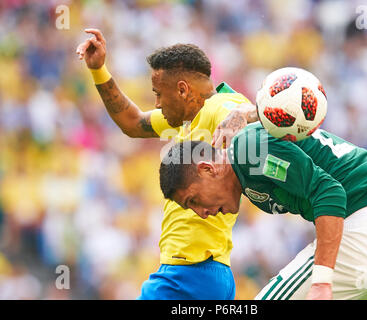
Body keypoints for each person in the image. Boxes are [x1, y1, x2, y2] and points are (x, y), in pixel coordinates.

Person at [76, 28, 258, 299]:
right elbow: (132, 122)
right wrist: (99, 70)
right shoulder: (187, 120)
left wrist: (244, 114)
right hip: (202, 273)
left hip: (191, 273)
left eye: (159, 94)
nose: (157, 103)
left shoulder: (218, 107)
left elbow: (245, 111)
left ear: (183, 90)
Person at [159, 122, 367, 300]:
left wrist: (321, 281)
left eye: (193, 200)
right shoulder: (247, 161)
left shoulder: (248, 151)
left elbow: (330, 192)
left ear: (207, 169)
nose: (200, 213)